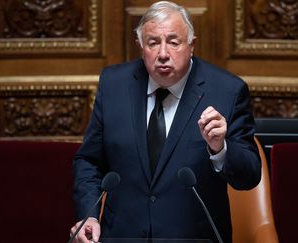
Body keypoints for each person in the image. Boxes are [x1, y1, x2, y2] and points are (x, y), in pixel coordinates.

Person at [70, 1, 261, 242]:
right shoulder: (113, 84)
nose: (162, 54)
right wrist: (90, 215)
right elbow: (89, 161)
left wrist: (220, 149)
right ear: (140, 46)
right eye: (153, 43)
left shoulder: (227, 91)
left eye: (173, 42)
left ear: (191, 45)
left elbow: (250, 176)